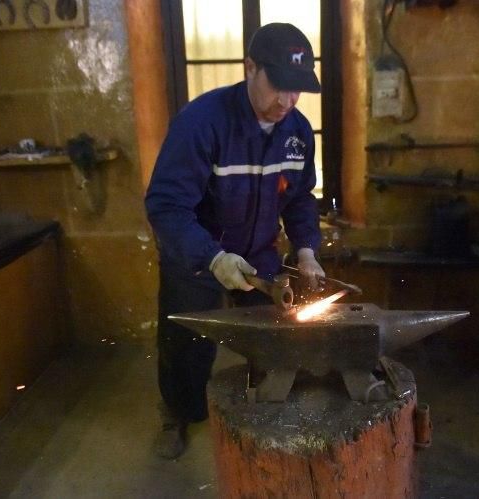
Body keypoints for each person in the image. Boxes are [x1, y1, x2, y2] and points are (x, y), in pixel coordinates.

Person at [144, 23, 325, 459]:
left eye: (297, 89)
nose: (287, 101)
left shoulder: (297, 132)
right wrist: (213, 257)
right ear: (249, 68)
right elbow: (167, 206)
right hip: (194, 257)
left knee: (272, 338)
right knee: (186, 346)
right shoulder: (200, 123)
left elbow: (300, 200)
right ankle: (179, 414)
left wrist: (305, 251)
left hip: (259, 253)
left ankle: (266, 413)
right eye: (278, 86)